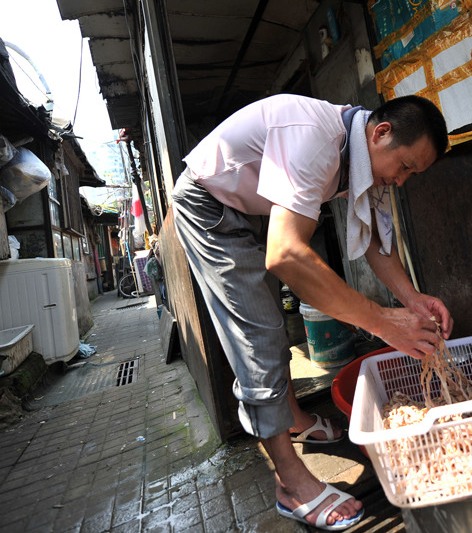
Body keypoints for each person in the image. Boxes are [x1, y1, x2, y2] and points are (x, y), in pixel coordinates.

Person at [171, 93, 453, 530]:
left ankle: (295, 418)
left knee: (269, 325)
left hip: (253, 205)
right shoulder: (316, 138)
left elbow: (376, 242)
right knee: (259, 334)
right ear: (381, 134)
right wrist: (380, 322)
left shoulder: (362, 154)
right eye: (405, 167)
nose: (401, 181)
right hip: (210, 203)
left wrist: (411, 298)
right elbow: (284, 253)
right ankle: (290, 482)